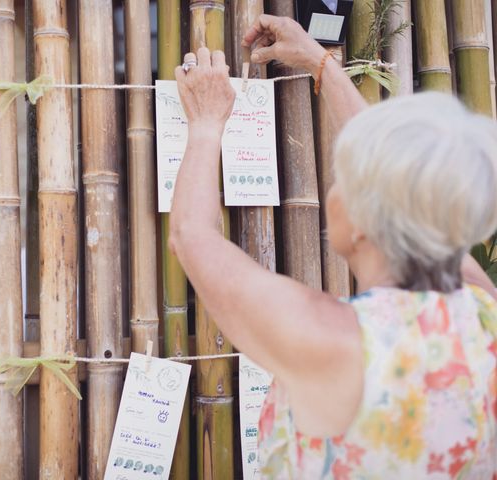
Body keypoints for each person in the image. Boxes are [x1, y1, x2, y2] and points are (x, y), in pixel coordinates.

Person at [170, 14, 497, 479]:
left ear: (365, 221)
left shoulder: (336, 341)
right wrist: (319, 62)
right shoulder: (483, 312)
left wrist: (205, 125)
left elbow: (192, 236)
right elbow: (402, 178)